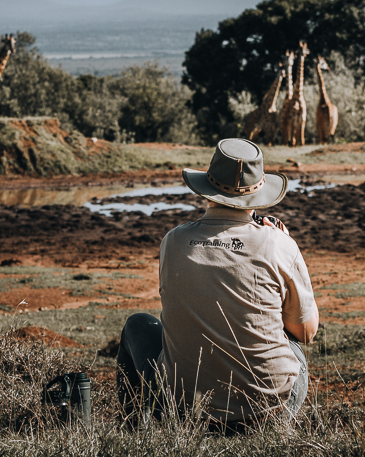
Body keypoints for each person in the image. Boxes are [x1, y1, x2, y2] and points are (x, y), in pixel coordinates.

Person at [116, 138, 318, 427]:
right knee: (294, 348)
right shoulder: (279, 245)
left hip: (184, 408)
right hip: (265, 412)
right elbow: (307, 331)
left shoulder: (172, 241)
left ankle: (135, 432)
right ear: (257, 196)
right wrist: (287, 246)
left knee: (136, 325)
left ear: (206, 190)